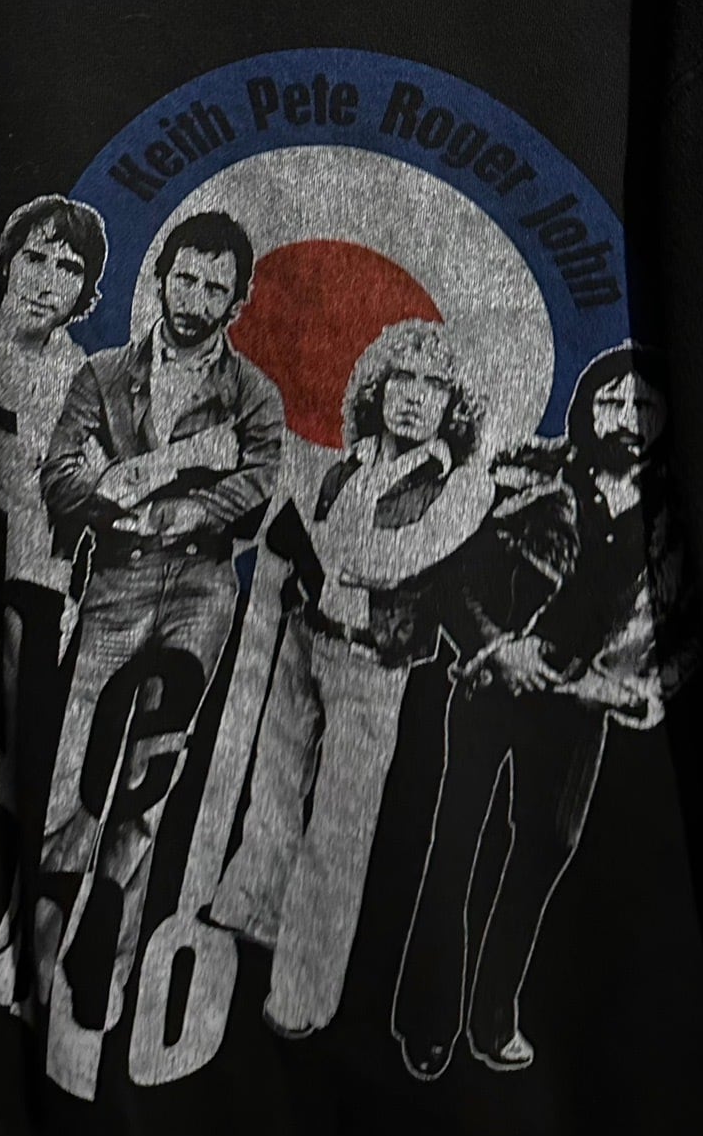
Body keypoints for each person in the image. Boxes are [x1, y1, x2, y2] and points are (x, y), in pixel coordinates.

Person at [393, 351, 692, 1078]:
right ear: (586, 405)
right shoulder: (525, 472)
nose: (627, 418)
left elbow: (681, 625)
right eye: (613, 401)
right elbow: (449, 568)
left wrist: (618, 684)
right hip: (494, 681)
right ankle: (428, 1018)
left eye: (644, 406)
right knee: (456, 841)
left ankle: (493, 1019)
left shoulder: (677, 512)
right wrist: (498, 647)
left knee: (543, 852)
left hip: (583, 702)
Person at [35, 209, 284, 1041]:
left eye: (216, 285)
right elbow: (61, 476)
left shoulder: (253, 393)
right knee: (77, 761)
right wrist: (144, 482)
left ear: (238, 300)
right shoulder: (103, 373)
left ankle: (102, 957)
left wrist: (174, 509)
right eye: (186, 276)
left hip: (202, 586)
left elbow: (256, 483)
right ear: (160, 275)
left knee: (150, 770)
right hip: (115, 579)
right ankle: (40, 939)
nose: (196, 296)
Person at [209, 319, 494, 1037]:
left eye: (433, 386)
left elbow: (388, 562)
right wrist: (314, 554)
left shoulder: (463, 485)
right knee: (274, 784)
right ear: (378, 389)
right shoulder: (346, 464)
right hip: (305, 634)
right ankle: (253, 912)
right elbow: (299, 545)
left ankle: (302, 996)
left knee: (340, 825)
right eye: (402, 379)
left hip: (373, 661)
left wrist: (321, 545)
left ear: (453, 407)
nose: (414, 397)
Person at [0, 195, 109, 1004]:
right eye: (37, 258)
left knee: (23, 749)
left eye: (69, 267)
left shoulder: (80, 377)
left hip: (33, 584)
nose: (49, 280)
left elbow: (82, 495)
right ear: (7, 260)